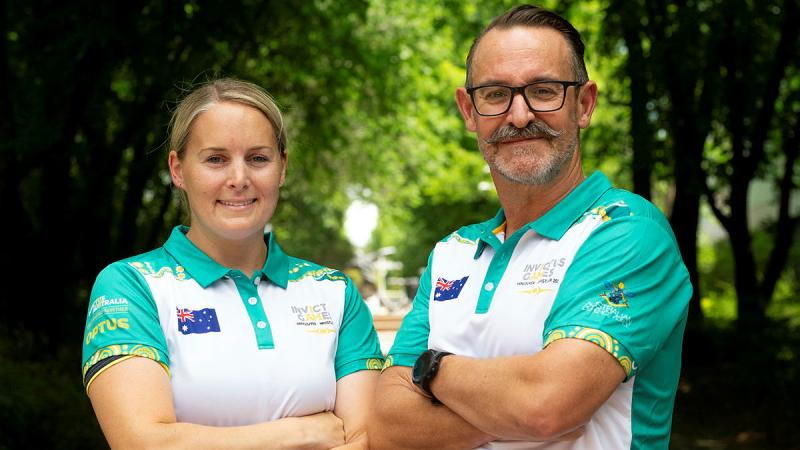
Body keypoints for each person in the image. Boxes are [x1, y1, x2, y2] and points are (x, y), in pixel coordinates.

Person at [369, 5, 691, 450]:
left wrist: (430, 368)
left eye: (543, 91)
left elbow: (545, 406)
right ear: (469, 110)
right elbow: (386, 424)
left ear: (584, 104)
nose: (519, 116)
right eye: (496, 94)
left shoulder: (626, 231)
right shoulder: (452, 252)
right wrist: (507, 413)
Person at [81, 78, 384, 449]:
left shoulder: (335, 292)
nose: (239, 179)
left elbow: (365, 441)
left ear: (282, 167)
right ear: (177, 170)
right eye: (215, 159)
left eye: (258, 158)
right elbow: (143, 443)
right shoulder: (131, 285)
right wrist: (302, 432)